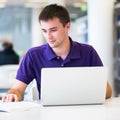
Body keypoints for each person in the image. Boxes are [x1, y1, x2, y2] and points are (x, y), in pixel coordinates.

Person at [2, 4, 112, 102]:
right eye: (44, 31)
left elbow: (107, 91)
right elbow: (17, 89)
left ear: (67, 26)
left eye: (53, 30)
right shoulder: (33, 55)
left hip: (83, 112)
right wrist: (13, 95)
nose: (48, 36)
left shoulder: (88, 52)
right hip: (47, 115)